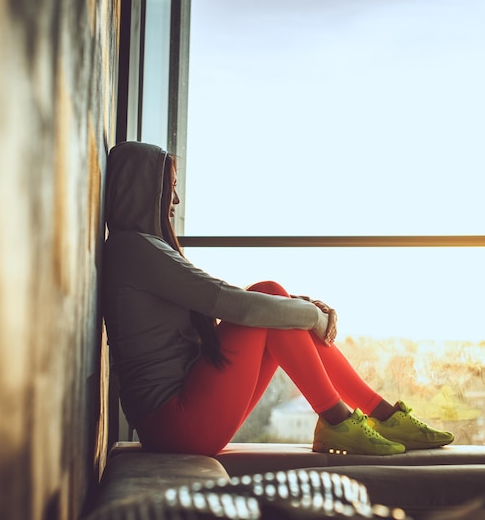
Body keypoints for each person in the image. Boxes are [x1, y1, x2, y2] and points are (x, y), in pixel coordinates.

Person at [102, 141, 454, 457]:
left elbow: (228, 302)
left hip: (186, 415)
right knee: (269, 296)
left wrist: (292, 307)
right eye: (170, 189)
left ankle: (381, 417)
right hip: (176, 424)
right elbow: (230, 302)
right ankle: (339, 421)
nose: (175, 201)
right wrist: (308, 315)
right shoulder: (131, 247)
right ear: (144, 189)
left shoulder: (142, 249)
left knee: (275, 303)